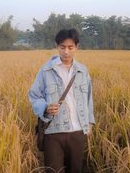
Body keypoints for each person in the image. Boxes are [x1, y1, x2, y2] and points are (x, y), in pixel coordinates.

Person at [28, 28, 95, 173]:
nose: (66, 52)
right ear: (57, 46)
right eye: (62, 47)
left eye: (70, 47)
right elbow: (34, 95)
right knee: (54, 171)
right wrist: (45, 107)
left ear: (77, 47)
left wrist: (89, 123)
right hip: (53, 132)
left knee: (76, 170)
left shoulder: (83, 71)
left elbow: (89, 98)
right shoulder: (46, 71)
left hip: (78, 131)